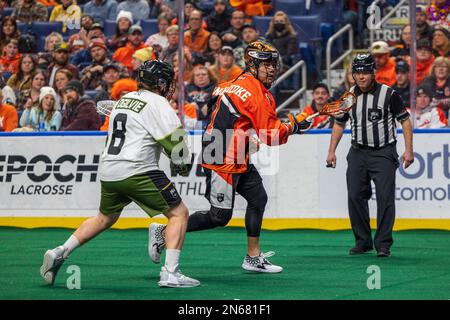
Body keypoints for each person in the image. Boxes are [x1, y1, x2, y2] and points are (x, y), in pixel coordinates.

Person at [148, 41, 312, 274]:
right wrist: (294, 126)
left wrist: (245, 135)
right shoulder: (259, 93)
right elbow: (272, 136)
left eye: (273, 64)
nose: (272, 69)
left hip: (229, 151)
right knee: (219, 217)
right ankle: (162, 233)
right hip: (222, 158)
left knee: (258, 199)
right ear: (252, 64)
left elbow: (214, 112)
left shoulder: (229, 83)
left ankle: (253, 258)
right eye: (266, 64)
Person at [40, 60, 200, 288]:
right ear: (161, 82)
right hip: (137, 169)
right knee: (179, 213)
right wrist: (183, 164)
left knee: (104, 218)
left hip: (109, 169)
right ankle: (170, 273)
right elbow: (177, 144)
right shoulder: (159, 103)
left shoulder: (124, 99)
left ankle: (60, 251)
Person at [326, 54, 414, 258]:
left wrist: (409, 150)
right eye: (357, 72)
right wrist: (331, 151)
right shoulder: (348, 96)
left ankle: (383, 244)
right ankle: (362, 241)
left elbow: (405, 121)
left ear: (373, 73)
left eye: (365, 72)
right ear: (353, 75)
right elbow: (339, 124)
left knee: (385, 198)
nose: (361, 76)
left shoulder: (389, 94)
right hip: (357, 152)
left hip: (383, 152)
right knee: (355, 196)